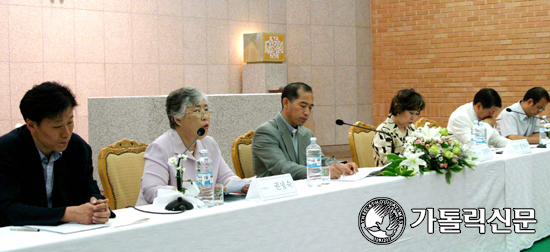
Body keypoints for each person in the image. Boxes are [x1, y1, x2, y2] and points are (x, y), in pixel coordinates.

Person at [0, 82, 114, 227]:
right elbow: (6, 209)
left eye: (70, 122)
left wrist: (97, 205)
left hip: (66, 236)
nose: (66, 133)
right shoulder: (6, 150)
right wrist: (66, 214)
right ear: (31, 125)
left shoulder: (78, 148)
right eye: (57, 126)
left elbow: (88, 190)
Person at [136, 87, 248, 206]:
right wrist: (191, 193)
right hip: (162, 217)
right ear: (178, 119)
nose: (205, 117)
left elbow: (226, 177)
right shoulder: (160, 147)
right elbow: (151, 191)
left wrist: (242, 185)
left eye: (206, 110)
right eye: (197, 111)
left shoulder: (209, 143)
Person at [252, 82, 358, 180]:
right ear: (285, 103)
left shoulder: (306, 133)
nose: (307, 112)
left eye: (310, 108)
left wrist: (340, 166)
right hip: (276, 195)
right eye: (302, 106)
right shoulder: (266, 132)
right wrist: (323, 172)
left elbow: (320, 159)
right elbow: (282, 168)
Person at [372, 89, 426, 166]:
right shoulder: (384, 130)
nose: (413, 118)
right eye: (411, 113)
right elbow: (386, 162)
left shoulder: (412, 128)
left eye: (417, 114)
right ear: (399, 109)